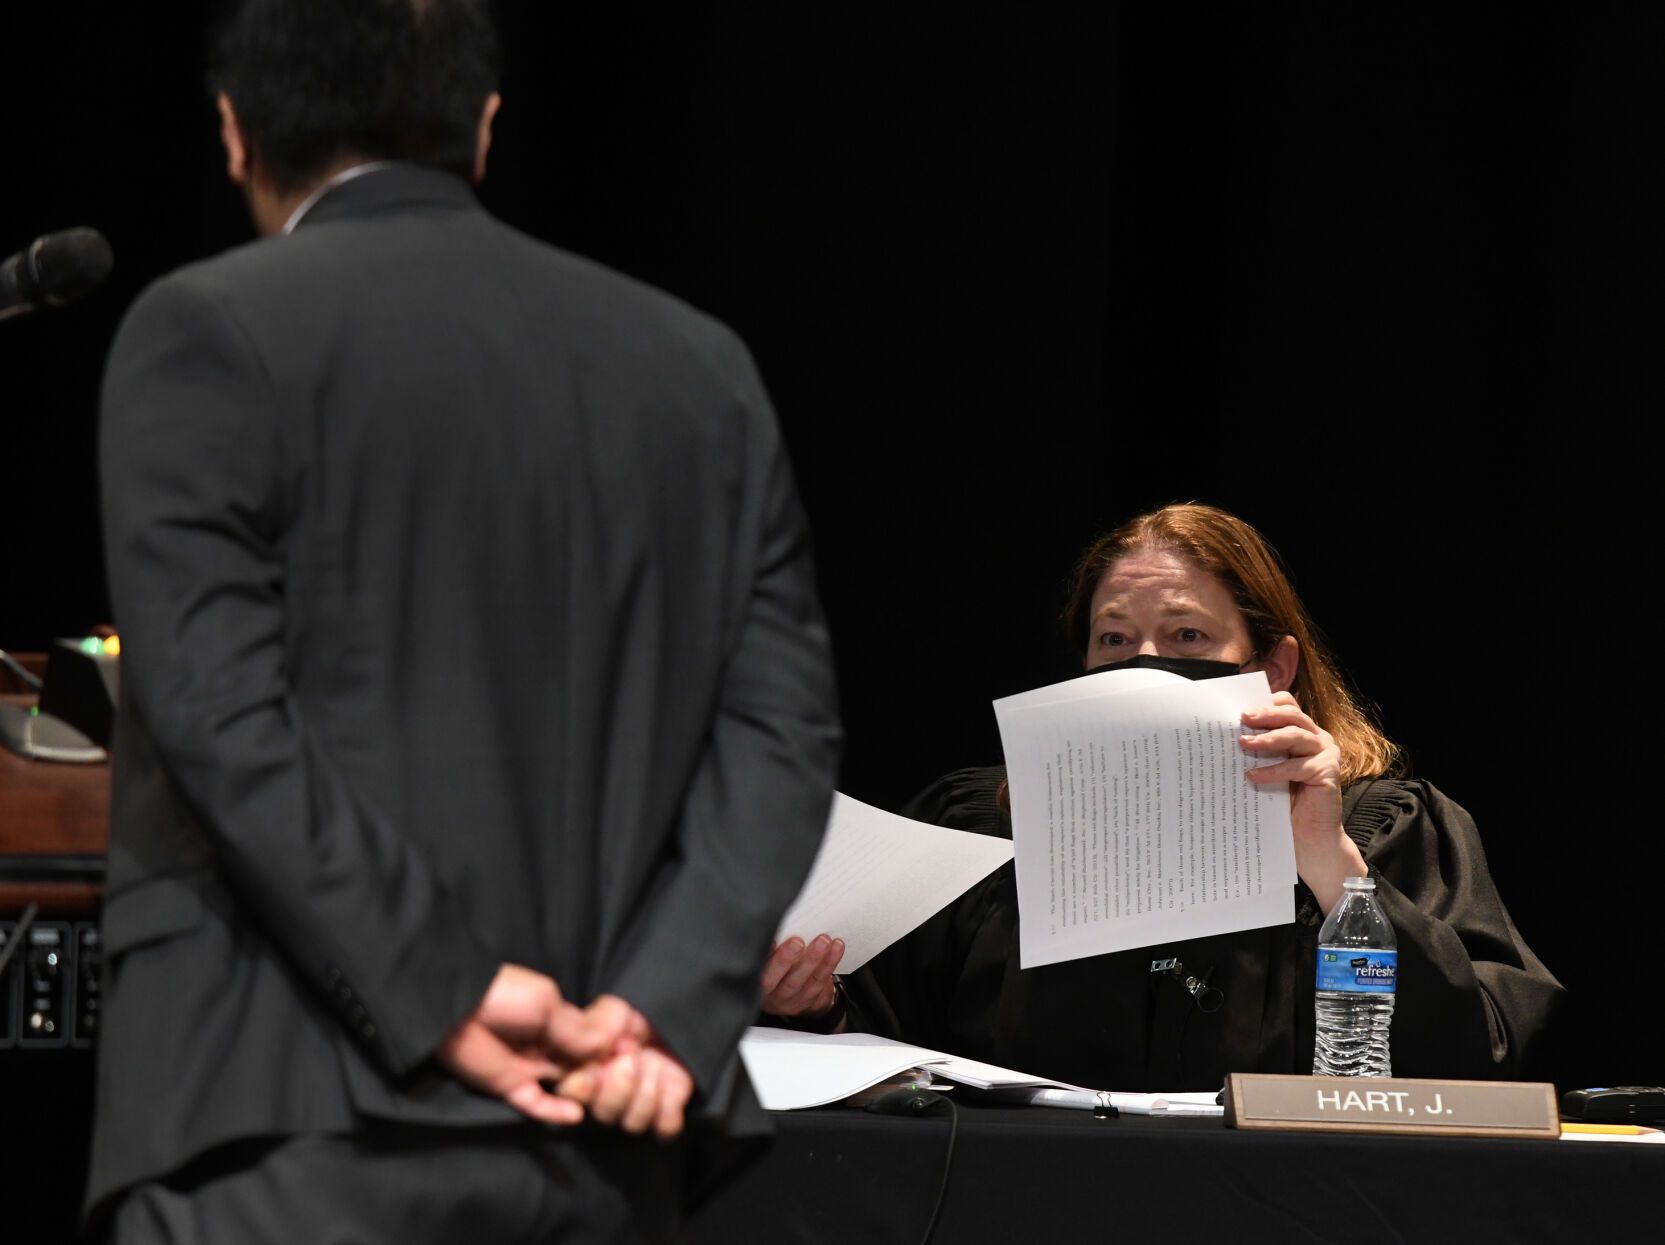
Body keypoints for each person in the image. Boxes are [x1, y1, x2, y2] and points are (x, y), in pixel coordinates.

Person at [88, 2, 839, 1241]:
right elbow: (784, 731)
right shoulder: (698, 367)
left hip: (284, 1129)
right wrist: (659, 1006)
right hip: (610, 1124)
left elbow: (219, 713)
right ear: (485, 129)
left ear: (233, 133)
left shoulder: (204, 332)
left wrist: (454, 990)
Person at [761, 503, 1561, 1091]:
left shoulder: (1386, 828)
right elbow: (900, 1055)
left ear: (1273, 669)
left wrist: (1327, 861)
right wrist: (817, 1007)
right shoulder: (985, 834)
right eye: (1113, 639)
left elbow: (1487, 1057)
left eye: (1186, 637)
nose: (1143, 663)